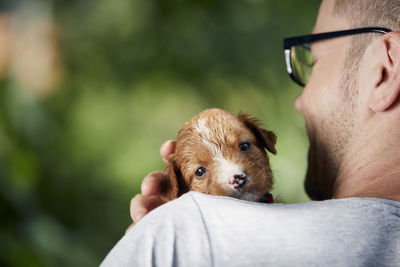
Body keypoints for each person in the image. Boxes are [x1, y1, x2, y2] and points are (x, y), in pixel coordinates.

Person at [101, 0, 400, 266]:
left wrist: (160, 239)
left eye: (312, 61)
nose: (299, 101)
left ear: (386, 69)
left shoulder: (186, 234)